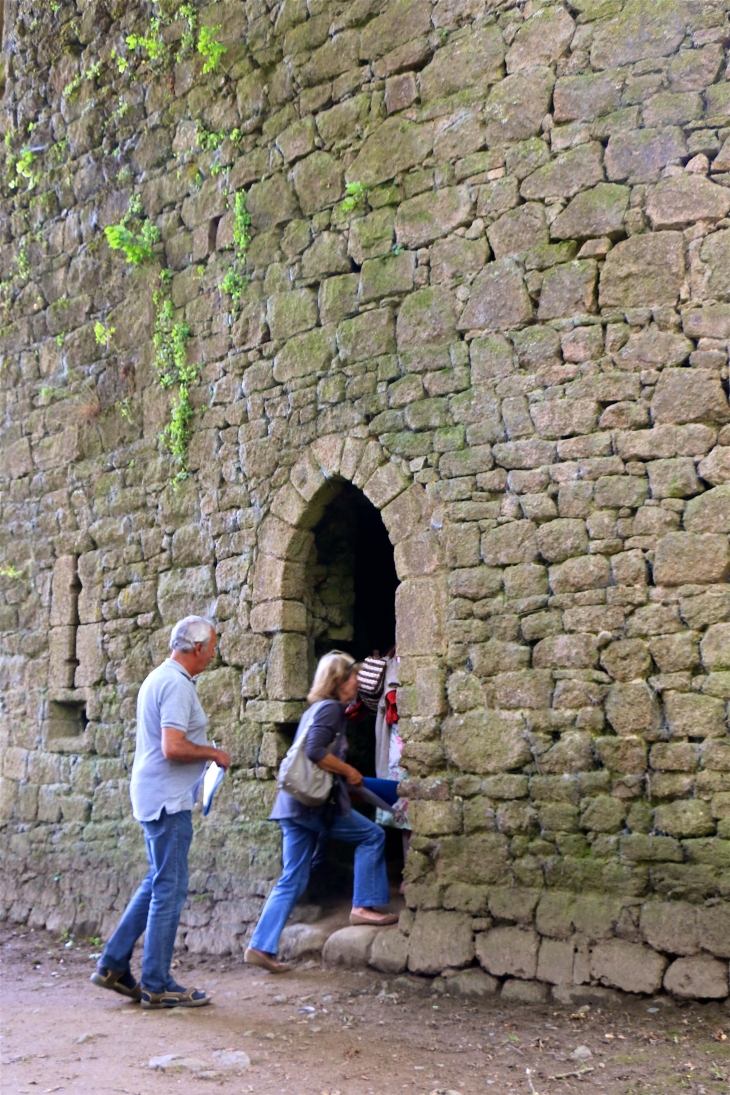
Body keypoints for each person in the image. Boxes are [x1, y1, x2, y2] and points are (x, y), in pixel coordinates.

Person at [90, 616, 230, 1009]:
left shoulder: (161, 677)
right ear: (198, 648)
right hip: (168, 800)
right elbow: (173, 747)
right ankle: (157, 982)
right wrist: (213, 754)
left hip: (154, 794)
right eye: (212, 647)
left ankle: (113, 964)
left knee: (157, 880)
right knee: (170, 888)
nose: (215, 654)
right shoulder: (175, 684)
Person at [244, 650, 398, 974]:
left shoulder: (316, 710)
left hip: (293, 805)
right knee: (372, 835)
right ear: (339, 681)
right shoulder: (331, 711)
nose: (357, 681)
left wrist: (351, 786)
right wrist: (349, 771)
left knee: (292, 878)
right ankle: (363, 906)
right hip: (312, 807)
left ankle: (261, 946)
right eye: (353, 676)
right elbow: (315, 752)